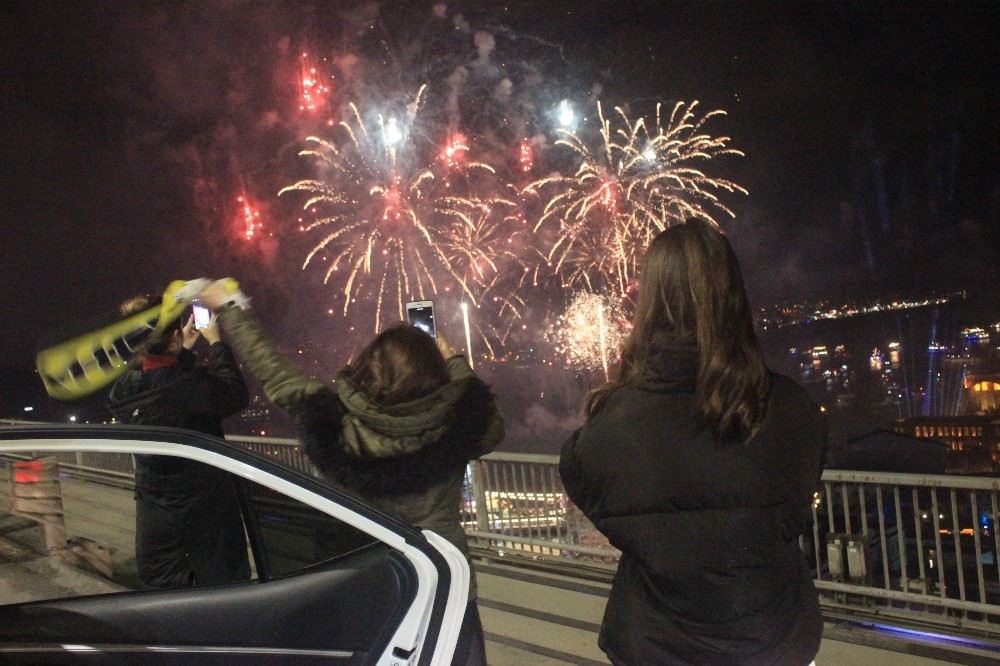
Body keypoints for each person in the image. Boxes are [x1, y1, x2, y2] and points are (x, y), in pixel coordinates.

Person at [559, 219, 825, 665]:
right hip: (774, 637)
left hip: (656, 643)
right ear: (733, 295)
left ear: (649, 299)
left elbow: (583, 477)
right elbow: (799, 497)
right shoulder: (793, 408)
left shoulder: (614, 423)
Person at [197, 282, 504, 666]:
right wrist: (453, 358)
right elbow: (485, 414)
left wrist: (229, 309)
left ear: (367, 369)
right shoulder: (459, 426)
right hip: (442, 581)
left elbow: (274, 372)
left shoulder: (338, 427)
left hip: (365, 582)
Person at [108, 295, 251, 589]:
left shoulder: (123, 392)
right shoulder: (192, 388)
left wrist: (179, 348)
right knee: (226, 591)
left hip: (155, 511)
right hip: (206, 511)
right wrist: (215, 341)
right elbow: (234, 393)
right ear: (174, 337)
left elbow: (160, 380)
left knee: (168, 590)